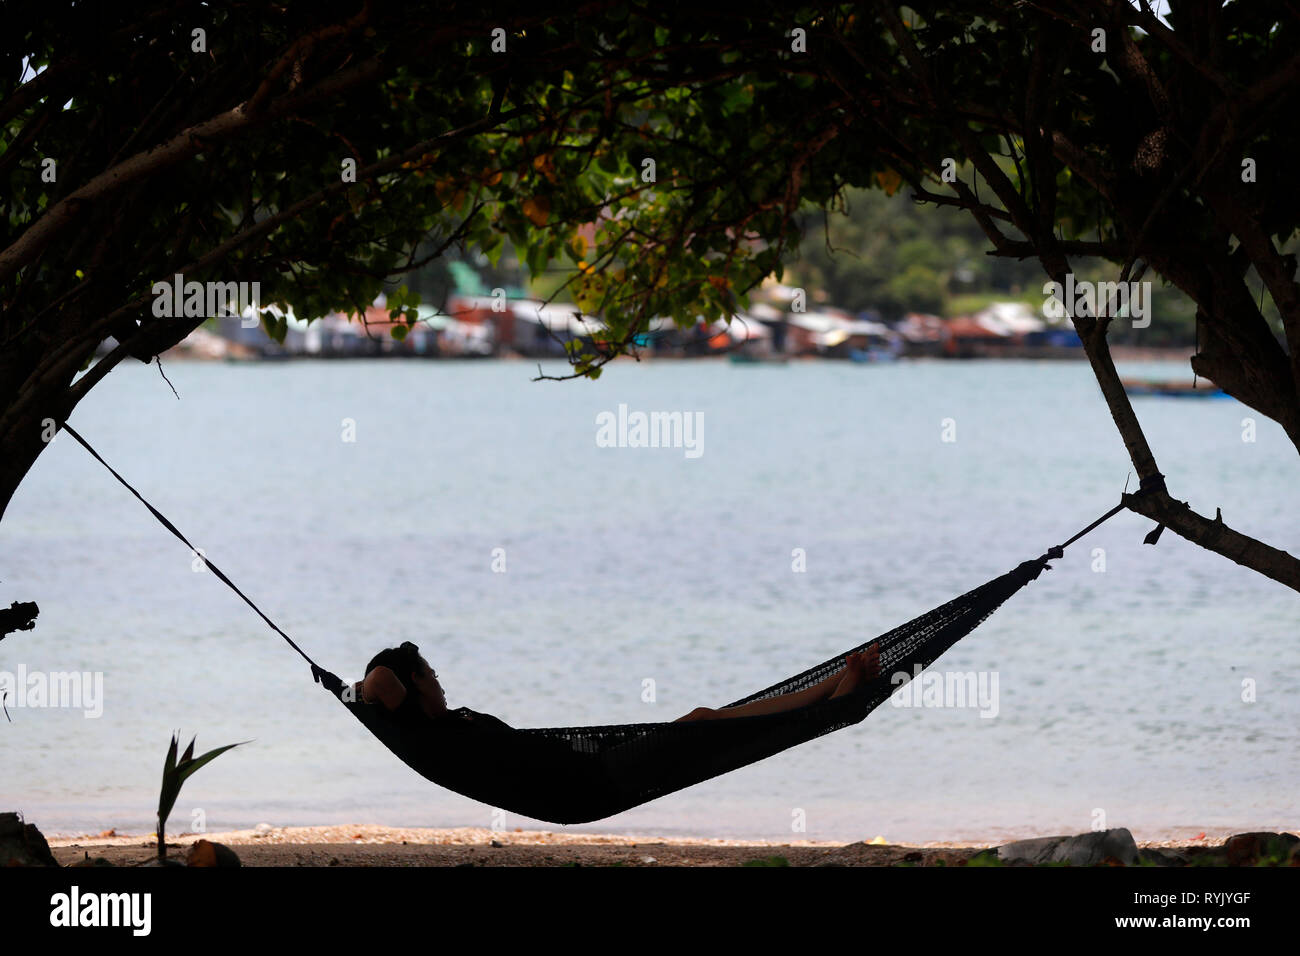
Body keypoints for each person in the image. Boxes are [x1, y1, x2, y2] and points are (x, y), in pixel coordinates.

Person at [355, 641, 882, 728]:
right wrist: (347, 688)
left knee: (707, 721)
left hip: (583, 769)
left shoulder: (438, 728)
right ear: (416, 683)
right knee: (704, 722)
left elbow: (377, 685)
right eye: (433, 675)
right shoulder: (429, 728)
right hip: (589, 777)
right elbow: (378, 679)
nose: (443, 685)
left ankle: (837, 686)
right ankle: (837, 695)